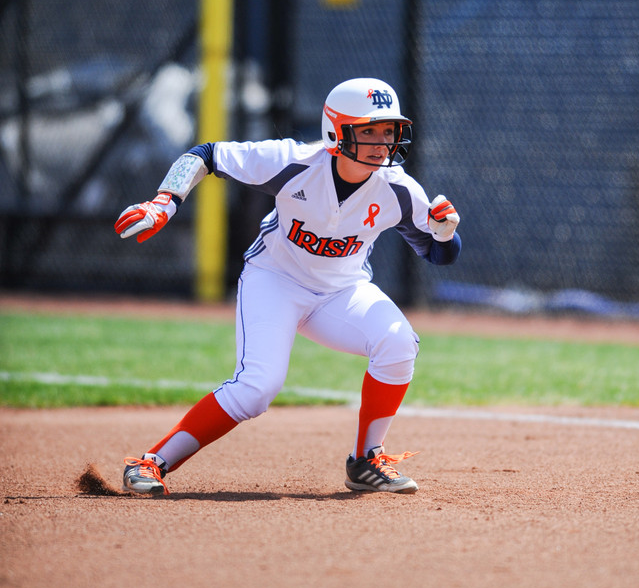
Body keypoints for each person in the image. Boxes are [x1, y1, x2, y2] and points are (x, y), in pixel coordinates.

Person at [114, 77, 461, 496]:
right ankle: (151, 462)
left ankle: (366, 460)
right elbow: (205, 155)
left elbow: (441, 253)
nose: (381, 142)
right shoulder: (293, 161)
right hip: (274, 281)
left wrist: (444, 233)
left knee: (399, 343)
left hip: (341, 291)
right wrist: (164, 201)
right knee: (258, 388)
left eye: (388, 130)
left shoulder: (399, 189)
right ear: (336, 131)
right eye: (367, 130)